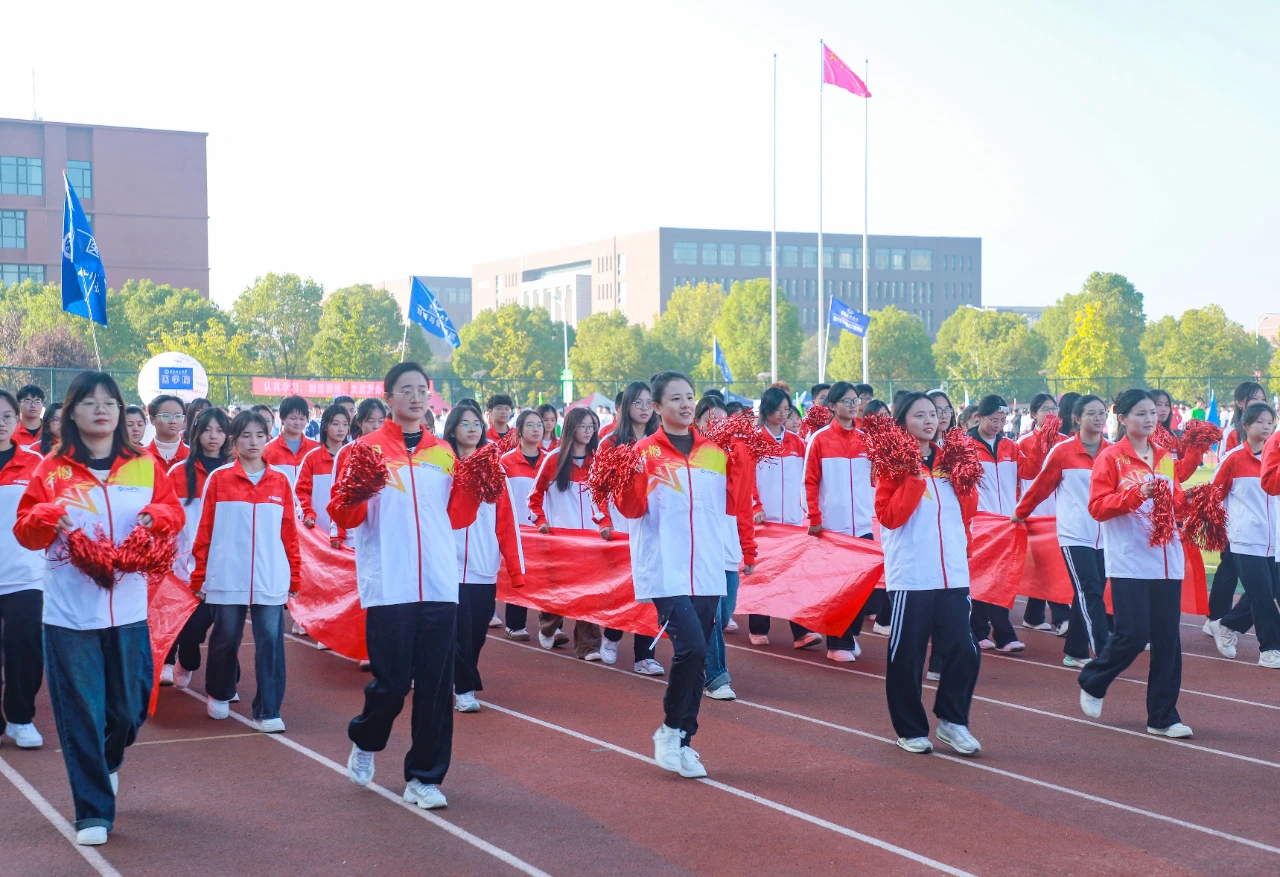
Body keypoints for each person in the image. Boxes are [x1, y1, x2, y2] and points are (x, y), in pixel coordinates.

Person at [14, 372, 183, 846]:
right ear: (71, 412)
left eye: (110, 402)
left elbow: (173, 512)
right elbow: (26, 529)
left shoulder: (145, 465)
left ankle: (107, 761)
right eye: (89, 402)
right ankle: (92, 811)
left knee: (129, 711)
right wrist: (49, 515)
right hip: (70, 617)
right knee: (81, 714)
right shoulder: (52, 469)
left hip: (128, 613)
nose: (101, 409)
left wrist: (156, 517)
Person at [330, 362, 481, 811]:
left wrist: (476, 485)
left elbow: (458, 517)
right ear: (389, 398)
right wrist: (357, 490)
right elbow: (345, 515)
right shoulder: (364, 451)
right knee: (392, 684)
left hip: (438, 582)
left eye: (422, 390)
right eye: (407, 390)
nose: (416, 397)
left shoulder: (444, 453)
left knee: (435, 686)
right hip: (389, 581)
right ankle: (366, 738)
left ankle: (424, 777)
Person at [617, 371, 739, 779]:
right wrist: (624, 478)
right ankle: (670, 730)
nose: (686, 404)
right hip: (664, 568)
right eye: (675, 398)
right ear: (657, 407)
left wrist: (744, 459)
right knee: (692, 649)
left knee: (700, 657)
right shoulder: (643, 452)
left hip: (706, 566)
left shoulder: (715, 453)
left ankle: (685, 740)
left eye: (689, 397)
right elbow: (631, 509)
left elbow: (733, 503)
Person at [1078, 389, 1192, 738]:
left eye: (1152, 413)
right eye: (1140, 413)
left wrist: (1194, 506)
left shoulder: (1165, 457)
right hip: (1129, 560)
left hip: (1167, 560)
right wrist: (1137, 494)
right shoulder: (1111, 458)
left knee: (1168, 641)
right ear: (1123, 419)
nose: (1149, 419)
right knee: (1133, 635)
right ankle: (1094, 679)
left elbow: (1176, 501)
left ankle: (1162, 716)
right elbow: (1097, 507)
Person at [875, 392, 981, 755]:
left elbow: (966, 513)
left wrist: (965, 479)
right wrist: (913, 476)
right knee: (908, 655)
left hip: (952, 572)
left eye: (933, 414)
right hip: (913, 574)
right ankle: (910, 729)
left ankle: (952, 721)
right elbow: (889, 516)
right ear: (903, 422)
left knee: (966, 648)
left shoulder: (951, 461)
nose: (929, 420)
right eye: (919, 415)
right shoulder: (892, 464)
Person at [191, 410, 301, 733]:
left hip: (270, 576)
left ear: (268, 438)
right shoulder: (219, 478)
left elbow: (289, 532)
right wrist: (199, 575)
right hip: (227, 575)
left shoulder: (280, 481)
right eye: (246, 435)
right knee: (226, 637)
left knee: (271, 641)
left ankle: (269, 709)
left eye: (260, 435)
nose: (253, 442)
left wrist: (295, 575)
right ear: (234, 440)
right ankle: (220, 690)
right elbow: (204, 529)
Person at [1013, 395, 1112, 668]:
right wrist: (1020, 513)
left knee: (1088, 593)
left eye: (1102, 412)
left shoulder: (1114, 452)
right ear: (1077, 419)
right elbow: (1041, 487)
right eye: (1091, 413)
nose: (1098, 417)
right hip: (1075, 535)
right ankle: (1105, 654)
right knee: (1090, 591)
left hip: (1107, 536)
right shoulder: (1063, 451)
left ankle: (1075, 651)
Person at [443, 404, 525, 713]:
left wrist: (516, 570)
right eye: (465, 423)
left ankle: (457, 677)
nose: (472, 428)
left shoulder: (495, 469)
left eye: (476, 423)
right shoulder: (440, 466)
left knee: (477, 633)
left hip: (483, 566)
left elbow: (507, 522)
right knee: (459, 630)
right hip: (446, 565)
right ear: (452, 429)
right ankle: (464, 689)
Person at [161, 407, 233, 690]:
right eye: (207, 430)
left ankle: (227, 683)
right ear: (196, 433)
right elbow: (166, 516)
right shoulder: (179, 473)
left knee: (225, 628)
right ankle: (186, 659)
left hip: (225, 565)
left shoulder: (235, 471)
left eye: (220, 430)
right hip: (185, 566)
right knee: (189, 627)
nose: (213, 436)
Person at [528, 407, 607, 660]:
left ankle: (588, 647)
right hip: (561, 541)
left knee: (589, 592)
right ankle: (548, 623)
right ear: (571, 428)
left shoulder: (598, 460)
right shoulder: (553, 459)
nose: (588, 431)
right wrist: (541, 522)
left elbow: (603, 500)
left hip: (591, 540)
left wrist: (605, 524)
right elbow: (533, 497)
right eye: (583, 426)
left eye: (591, 426)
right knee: (560, 592)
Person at [803, 381, 873, 663]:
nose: (853, 405)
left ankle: (849, 633)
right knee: (840, 588)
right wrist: (814, 516)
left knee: (863, 589)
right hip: (834, 526)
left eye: (856, 400)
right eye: (846, 401)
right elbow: (809, 481)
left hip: (863, 525)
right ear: (831, 406)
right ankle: (837, 643)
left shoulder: (867, 439)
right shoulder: (819, 439)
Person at [1207, 402, 1279, 667]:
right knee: (1262, 596)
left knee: (1266, 592)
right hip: (1246, 539)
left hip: (1276, 541)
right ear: (1246, 425)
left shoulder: (1277, 457)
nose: (1266, 426)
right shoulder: (1234, 459)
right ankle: (1270, 649)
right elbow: (1213, 497)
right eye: (1260, 421)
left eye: (1270, 422)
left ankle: (1226, 625)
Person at [599, 382, 663, 675]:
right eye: (638, 402)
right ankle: (611, 635)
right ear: (625, 406)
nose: (644, 408)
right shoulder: (610, 442)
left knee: (651, 589)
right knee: (623, 588)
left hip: (652, 525)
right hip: (622, 526)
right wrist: (605, 521)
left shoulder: (660, 441)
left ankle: (645, 656)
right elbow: (597, 488)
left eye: (649, 402)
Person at [694, 395, 755, 700]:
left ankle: (695, 660)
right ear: (697, 423)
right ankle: (716, 677)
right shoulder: (690, 456)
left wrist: (749, 549)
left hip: (728, 549)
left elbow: (742, 506)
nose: (715, 425)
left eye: (721, 420)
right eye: (709, 420)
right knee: (715, 616)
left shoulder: (734, 454)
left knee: (725, 611)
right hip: (702, 550)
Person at [748, 387, 817, 648]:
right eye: (778, 409)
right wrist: (756, 507)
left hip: (792, 522)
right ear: (766, 409)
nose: (783, 414)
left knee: (794, 576)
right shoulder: (753, 441)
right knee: (763, 574)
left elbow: (808, 479)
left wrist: (806, 510)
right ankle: (758, 628)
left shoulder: (797, 443)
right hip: (765, 523)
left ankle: (801, 632)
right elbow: (747, 480)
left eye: (786, 409)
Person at [966, 395, 1034, 653]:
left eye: (1002, 420)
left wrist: (1042, 445)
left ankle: (994, 633)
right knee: (982, 578)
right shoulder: (965, 445)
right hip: (980, 523)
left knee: (1001, 579)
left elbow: (1028, 471)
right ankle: (989, 632)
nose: (998, 425)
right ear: (979, 417)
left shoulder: (1010, 446)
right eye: (993, 420)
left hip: (1006, 523)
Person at [0, 390, 46, 749]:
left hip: (24, 575)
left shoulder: (35, 464)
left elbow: (49, 512)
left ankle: (20, 718)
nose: (0, 423)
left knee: (26, 647)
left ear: (17, 420)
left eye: (6, 416)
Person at [1202, 383, 1267, 635]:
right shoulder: (1233, 433)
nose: (1259, 402)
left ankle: (1225, 622)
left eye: (1262, 398)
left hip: (1263, 514)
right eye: (1254, 399)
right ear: (1240, 403)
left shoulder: (1269, 433)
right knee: (1229, 567)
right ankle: (1217, 618)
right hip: (1238, 514)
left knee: (1259, 576)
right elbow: (1225, 473)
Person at [1017, 393, 1071, 635]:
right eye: (1045, 410)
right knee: (1048, 564)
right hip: (1036, 513)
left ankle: (1033, 616)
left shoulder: (1066, 441)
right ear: (1033, 414)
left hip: (1061, 512)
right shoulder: (1023, 442)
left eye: (1054, 409)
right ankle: (1062, 617)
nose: (1050, 414)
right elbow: (1025, 475)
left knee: (1047, 565)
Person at [498, 409, 546, 640]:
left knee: (548, 576)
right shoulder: (506, 462)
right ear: (519, 431)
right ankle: (515, 625)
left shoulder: (551, 460)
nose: (536, 429)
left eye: (539, 425)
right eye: (530, 425)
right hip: (517, 530)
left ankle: (552, 627)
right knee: (519, 575)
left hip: (543, 529)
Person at [297, 404, 353, 548]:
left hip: (350, 536)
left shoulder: (354, 456)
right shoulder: (312, 458)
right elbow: (300, 492)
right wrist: (308, 513)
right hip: (319, 532)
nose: (341, 429)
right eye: (336, 424)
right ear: (325, 426)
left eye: (345, 424)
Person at [263, 395, 319, 489]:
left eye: (302, 419)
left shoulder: (315, 448)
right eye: (293, 418)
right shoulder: (267, 450)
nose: (298, 423)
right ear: (282, 418)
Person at [145, 395, 189, 465]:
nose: (173, 421)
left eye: (178, 416)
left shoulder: (192, 456)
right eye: (166, 416)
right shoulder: (142, 457)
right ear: (152, 419)